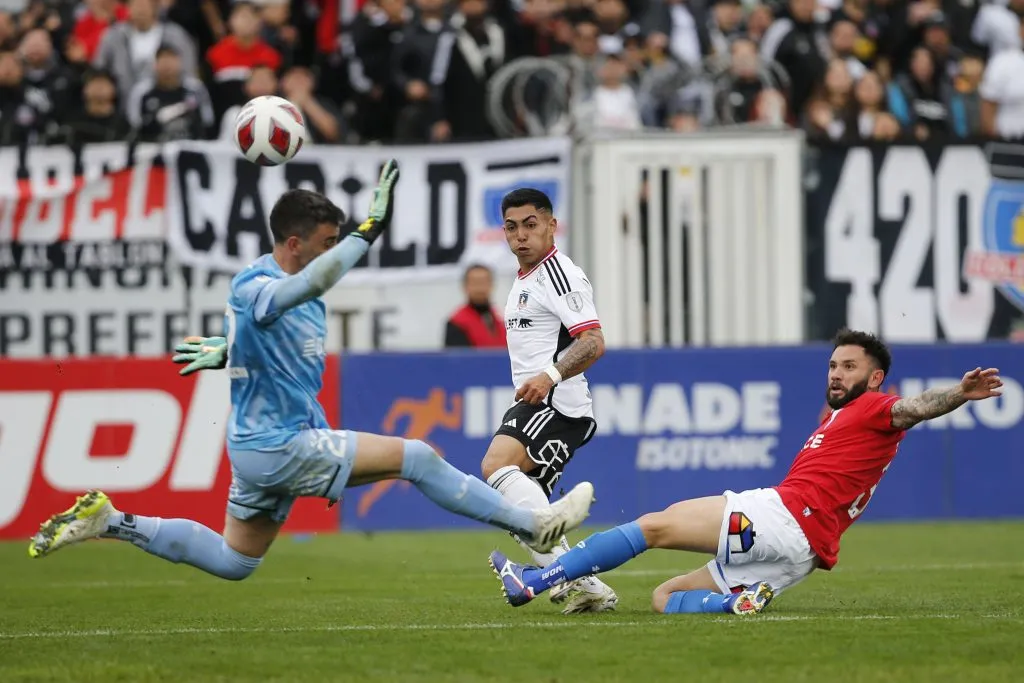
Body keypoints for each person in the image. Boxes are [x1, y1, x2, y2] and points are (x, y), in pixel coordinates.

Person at [27, 162, 596, 577]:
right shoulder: (261, 283)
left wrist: (229, 350)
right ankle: (532, 525)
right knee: (418, 457)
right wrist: (365, 232)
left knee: (234, 561)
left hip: (269, 446)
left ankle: (112, 521)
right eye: (326, 243)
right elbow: (301, 287)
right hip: (278, 446)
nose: (333, 254)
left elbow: (269, 342)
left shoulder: (289, 295)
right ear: (295, 244)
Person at [489, 329, 1004, 614]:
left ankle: (537, 580)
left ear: (875, 377)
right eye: (832, 365)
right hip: (801, 555)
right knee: (664, 598)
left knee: (653, 526)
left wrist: (960, 393)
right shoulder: (842, 419)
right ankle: (739, 603)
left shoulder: (874, 408)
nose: (837, 373)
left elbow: (913, 409)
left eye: (849, 367)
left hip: (784, 517)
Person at [480, 188, 618, 614]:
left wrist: (551, 375)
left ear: (551, 226)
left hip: (557, 404)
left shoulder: (559, 274)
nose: (520, 235)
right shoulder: (525, 279)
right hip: (539, 401)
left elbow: (593, 342)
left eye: (530, 224)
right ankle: (588, 586)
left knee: (495, 466)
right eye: (511, 227)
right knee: (517, 510)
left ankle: (560, 574)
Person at [444, 264, 507, 349]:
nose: (480, 288)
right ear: (465, 286)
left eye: (484, 282)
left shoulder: (502, 319)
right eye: (475, 283)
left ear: (492, 285)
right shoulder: (456, 323)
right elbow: (459, 360)